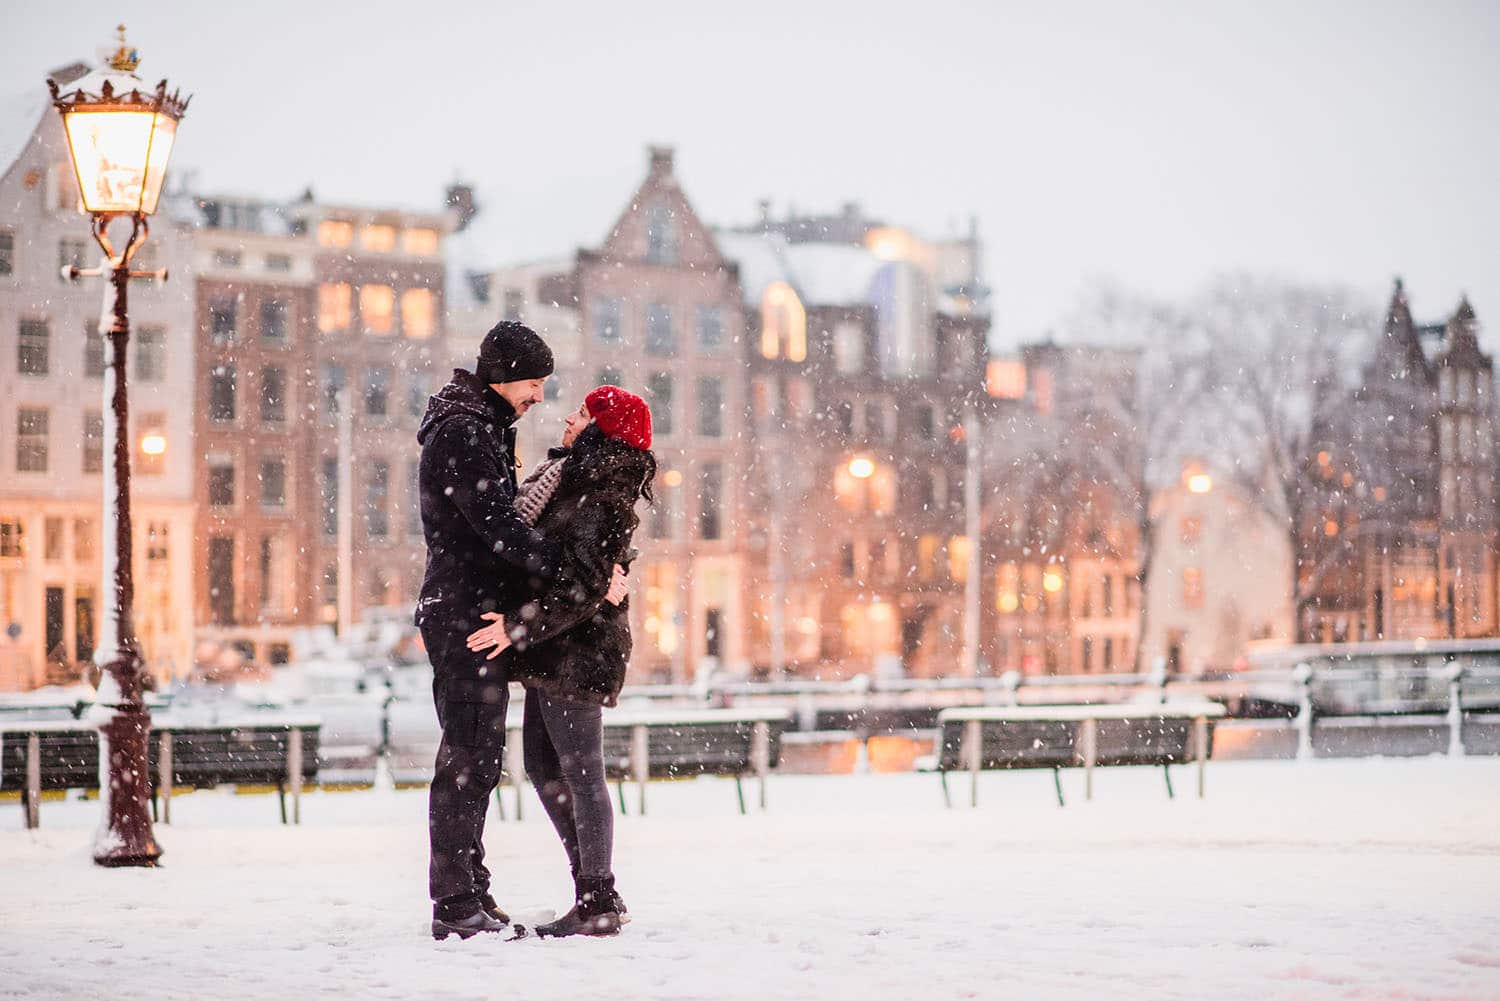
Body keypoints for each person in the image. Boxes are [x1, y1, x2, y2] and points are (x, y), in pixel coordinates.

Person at [414, 321, 624, 942]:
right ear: (505, 375)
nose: (538, 397)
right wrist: (580, 577)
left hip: (472, 609)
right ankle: (455, 903)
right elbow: (499, 530)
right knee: (469, 758)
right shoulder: (465, 433)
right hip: (466, 616)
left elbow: (507, 526)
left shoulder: (481, 426)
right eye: (534, 383)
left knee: (476, 757)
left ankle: (469, 890)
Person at [466, 385, 655, 938]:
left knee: (581, 771)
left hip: (580, 649)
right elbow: (586, 568)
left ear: (601, 429)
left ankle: (596, 897)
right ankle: (596, 891)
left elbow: (583, 581)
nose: (568, 420)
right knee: (546, 768)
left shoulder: (603, 494)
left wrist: (515, 626)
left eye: (581, 414)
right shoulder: (574, 481)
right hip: (555, 648)